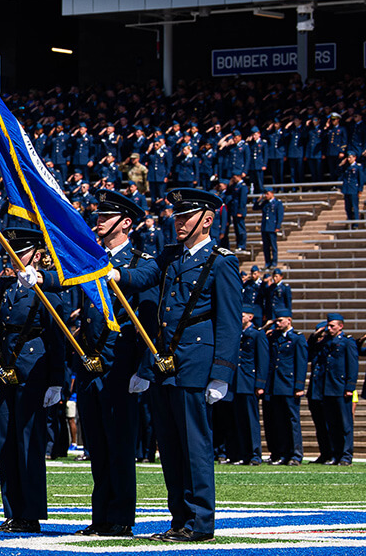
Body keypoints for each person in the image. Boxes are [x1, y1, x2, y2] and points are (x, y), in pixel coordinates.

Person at [113, 188, 240, 542]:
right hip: (165, 364)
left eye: (186, 216)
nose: (178, 222)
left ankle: (200, 522)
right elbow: (143, 277)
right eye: (177, 216)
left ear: (207, 220)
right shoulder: (171, 256)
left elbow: (229, 322)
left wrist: (222, 373)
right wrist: (115, 274)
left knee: (194, 447)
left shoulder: (221, 261)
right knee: (169, 447)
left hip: (196, 364)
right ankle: (179, 519)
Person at [65, 190, 155, 537]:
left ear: (126, 223)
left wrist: (143, 369)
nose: (99, 221)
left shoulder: (139, 262)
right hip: (91, 365)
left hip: (120, 366)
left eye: (106, 217)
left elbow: (147, 311)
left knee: (119, 445)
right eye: (99, 216)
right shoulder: (93, 259)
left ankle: (120, 517)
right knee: (98, 447)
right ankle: (100, 515)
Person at [0, 227, 66, 534]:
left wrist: (57, 379)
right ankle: (13, 511)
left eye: (19, 252)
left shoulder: (45, 289)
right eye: (11, 252)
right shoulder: (6, 286)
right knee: (6, 442)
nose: (13, 258)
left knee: (28, 443)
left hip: (32, 370)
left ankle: (30, 513)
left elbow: (57, 335)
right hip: (6, 369)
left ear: (36, 254)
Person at [309, 313, 357, 466]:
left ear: (340, 326)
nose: (329, 329)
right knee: (332, 424)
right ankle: (336, 455)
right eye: (328, 326)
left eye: (332, 326)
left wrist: (350, 387)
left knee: (345, 424)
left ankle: (346, 455)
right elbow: (311, 349)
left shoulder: (347, 341)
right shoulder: (326, 342)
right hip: (327, 388)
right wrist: (315, 335)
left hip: (341, 387)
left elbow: (353, 365)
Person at [264, 308, 306, 466]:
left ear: (289, 320)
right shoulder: (274, 336)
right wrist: (267, 327)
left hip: (289, 384)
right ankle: (281, 453)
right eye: (276, 321)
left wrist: (299, 386)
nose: (278, 324)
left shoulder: (297, 338)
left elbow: (301, 363)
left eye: (280, 320)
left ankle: (295, 454)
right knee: (278, 421)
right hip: (275, 385)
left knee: (292, 421)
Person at [228, 306, 267, 465]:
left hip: (249, 382)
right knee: (238, 420)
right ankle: (242, 454)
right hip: (236, 382)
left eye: (242, 315)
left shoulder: (257, 334)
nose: (239, 317)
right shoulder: (237, 333)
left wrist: (260, 383)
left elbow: (262, 359)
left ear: (250, 317)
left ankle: (255, 454)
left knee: (251, 420)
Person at [253, 187, 284, 269]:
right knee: (266, 247)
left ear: (272, 193)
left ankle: (274, 262)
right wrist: (258, 200)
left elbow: (280, 215)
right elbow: (255, 208)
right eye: (265, 194)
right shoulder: (265, 203)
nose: (266, 196)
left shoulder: (277, 203)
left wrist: (278, 226)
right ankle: (267, 262)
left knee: (273, 246)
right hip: (265, 227)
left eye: (267, 194)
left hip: (272, 227)